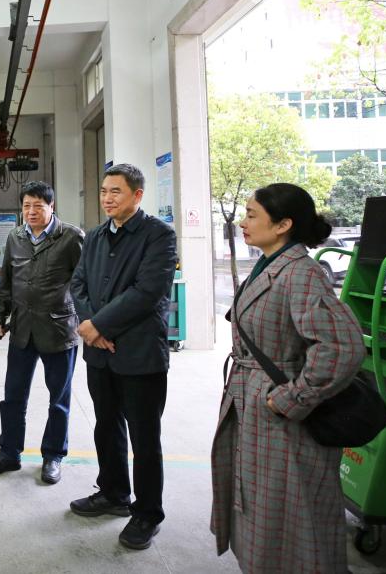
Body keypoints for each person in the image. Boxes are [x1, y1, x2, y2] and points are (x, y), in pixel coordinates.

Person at [210, 183, 365, 573]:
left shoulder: (301, 274)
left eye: (251, 215)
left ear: (283, 225)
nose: (242, 223)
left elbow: (341, 347)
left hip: (281, 416)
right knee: (264, 508)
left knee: (295, 515)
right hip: (256, 408)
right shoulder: (269, 265)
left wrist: (292, 398)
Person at [69, 163, 177, 550]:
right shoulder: (96, 236)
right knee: (106, 426)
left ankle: (147, 513)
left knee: (144, 437)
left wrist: (99, 326)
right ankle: (113, 492)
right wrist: (90, 327)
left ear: (137, 195)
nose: (107, 198)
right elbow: (78, 283)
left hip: (139, 354)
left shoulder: (158, 235)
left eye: (116, 191)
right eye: (103, 191)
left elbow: (147, 293)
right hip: (100, 354)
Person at [0, 181, 85, 484]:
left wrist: (89, 321)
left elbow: (84, 284)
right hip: (22, 329)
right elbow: (6, 283)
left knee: (58, 399)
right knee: (12, 396)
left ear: (52, 207)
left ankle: (53, 456)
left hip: (59, 330)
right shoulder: (16, 237)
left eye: (38, 205)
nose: (31, 211)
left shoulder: (72, 237)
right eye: (26, 205)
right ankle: (9, 453)